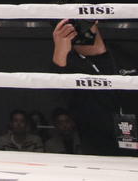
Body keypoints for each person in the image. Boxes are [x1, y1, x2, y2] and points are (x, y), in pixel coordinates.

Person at [51, 18, 138, 155]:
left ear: (94, 19)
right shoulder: (66, 65)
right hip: (98, 150)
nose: (75, 29)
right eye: (68, 26)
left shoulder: (123, 54)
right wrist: (60, 52)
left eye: (77, 22)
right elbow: (58, 98)